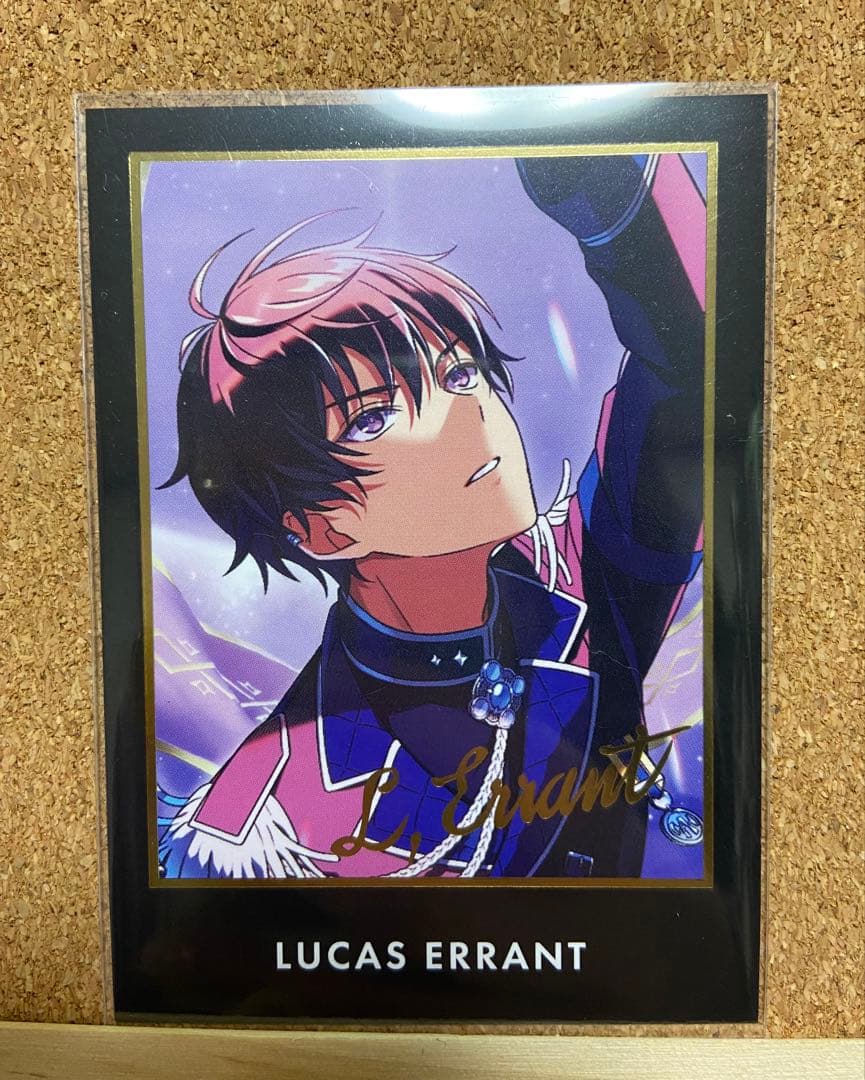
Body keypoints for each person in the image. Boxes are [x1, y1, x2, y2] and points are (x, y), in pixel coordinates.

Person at [158, 152, 706, 879]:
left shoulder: (581, 586)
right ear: (317, 526)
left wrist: (610, 195)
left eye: (459, 372)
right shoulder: (263, 821)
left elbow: (696, 374)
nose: (463, 411)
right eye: (373, 417)